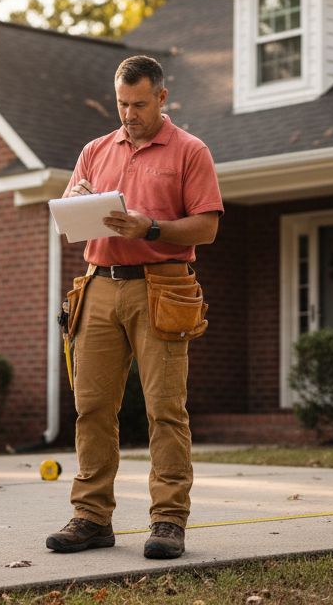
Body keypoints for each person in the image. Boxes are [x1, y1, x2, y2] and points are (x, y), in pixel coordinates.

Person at [46, 55, 223, 560]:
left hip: (162, 287)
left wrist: (151, 227)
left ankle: (168, 520)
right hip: (99, 284)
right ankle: (91, 517)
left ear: (162, 98)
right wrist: (78, 201)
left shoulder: (190, 151)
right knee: (92, 407)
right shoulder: (94, 150)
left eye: (139, 104)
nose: (129, 114)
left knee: (165, 409)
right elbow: (65, 221)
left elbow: (207, 227)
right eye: (122, 104)